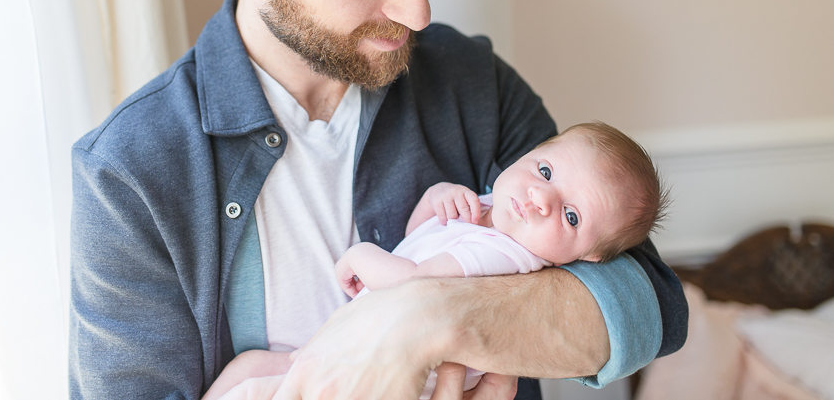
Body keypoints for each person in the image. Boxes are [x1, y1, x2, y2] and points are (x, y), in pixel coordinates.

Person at [68, 0, 688, 400]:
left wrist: (419, 319)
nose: (418, 13)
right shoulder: (130, 171)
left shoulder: (472, 84)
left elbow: (645, 304)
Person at [202, 122, 670, 400]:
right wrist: (435, 200)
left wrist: (362, 255)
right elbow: (418, 240)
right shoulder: (491, 210)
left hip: (401, 382)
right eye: (545, 171)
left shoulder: (502, 254)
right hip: (344, 352)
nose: (541, 198)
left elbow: (415, 282)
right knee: (246, 371)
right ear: (530, 154)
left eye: (571, 215)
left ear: (588, 257)